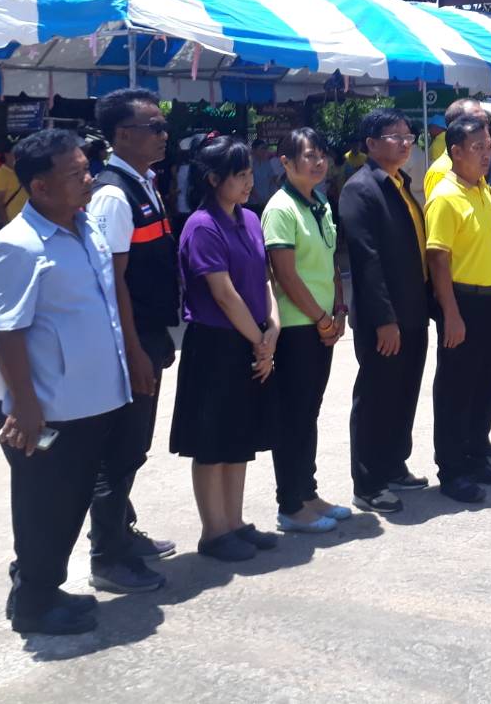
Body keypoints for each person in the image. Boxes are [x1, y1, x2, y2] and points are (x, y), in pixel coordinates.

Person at [0, 127, 132, 635]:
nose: (89, 180)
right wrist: (24, 404)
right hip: (49, 407)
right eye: (75, 174)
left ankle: (41, 588)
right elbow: (7, 332)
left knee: (69, 504)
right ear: (40, 186)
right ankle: (34, 605)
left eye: (87, 169)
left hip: (92, 400)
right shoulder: (15, 246)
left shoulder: (87, 228)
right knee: (44, 508)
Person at [84, 88, 178, 594]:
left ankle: (122, 531)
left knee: (134, 444)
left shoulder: (145, 183)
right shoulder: (113, 194)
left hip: (148, 330)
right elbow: (111, 279)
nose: (164, 135)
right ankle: (107, 556)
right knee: (120, 449)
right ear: (122, 135)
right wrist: (134, 351)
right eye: (154, 127)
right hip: (129, 337)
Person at [169, 135, 280, 562]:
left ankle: (234, 522)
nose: (249, 182)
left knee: (238, 436)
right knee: (211, 441)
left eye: (250, 173)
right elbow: (223, 294)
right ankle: (213, 531)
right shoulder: (201, 226)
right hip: (216, 344)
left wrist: (271, 329)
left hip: (251, 338)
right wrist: (260, 340)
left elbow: (264, 280)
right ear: (214, 179)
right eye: (240, 176)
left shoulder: (249, 218)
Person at [339, 108, 432, 513]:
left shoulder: (400, 183)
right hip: (386, 316)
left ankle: (394, 464)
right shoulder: (360, 189)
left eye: (408, 135)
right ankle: (368, 482)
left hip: (413, 308)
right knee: (376, 396)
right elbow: (367, 260)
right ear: (371, 144)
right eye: (395, 136)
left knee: (404, 391)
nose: (405, 142)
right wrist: (384, 319)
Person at [425, 115, 491, 504]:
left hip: (490, 301)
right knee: (455, 389)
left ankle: (477, 457)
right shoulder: (445, 196)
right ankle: (452, 470)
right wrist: (450, 313)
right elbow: (438, 259)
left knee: (485, 383)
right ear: (456, 152)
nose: (486, 155)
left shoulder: (482, 190)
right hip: (462, 302)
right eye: (477, 148)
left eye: (489, 147)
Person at [262, 127, 352, 532]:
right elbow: (284, 274)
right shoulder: (281, 208)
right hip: (298, 326)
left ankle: (308, 492)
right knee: (293, 416)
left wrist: (338, 308)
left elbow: (331, 261)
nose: (318, 162)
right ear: (285, 162)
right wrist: (319, 317)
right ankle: (290, 504)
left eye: (321, 155)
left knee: (309, 413)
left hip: (322, 322)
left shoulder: (319, 201)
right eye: (309, 155)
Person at [425, 98, 490, 200]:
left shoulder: (475, 167)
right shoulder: (441, 172)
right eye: (476, 121)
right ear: (456, 126)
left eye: (485, 121)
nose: (484, 127)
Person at [0, 142, 27, 226]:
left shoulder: (22, 172)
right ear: (7, 155)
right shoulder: (0, 175)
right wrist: (6, 225)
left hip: (27, 221)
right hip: (13, 223)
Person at [247, 140, 279, 210]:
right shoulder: (249, 165)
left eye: (265, 148)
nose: (264, 151)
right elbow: (249, 184)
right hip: (254, 203)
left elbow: (272, 179)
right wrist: (259, 199)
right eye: (262, 148)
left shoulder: (267, 163)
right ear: (254, 150)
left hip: (266, 202)